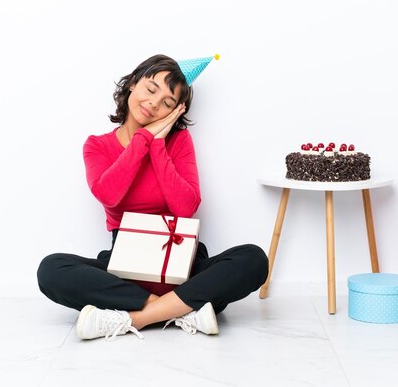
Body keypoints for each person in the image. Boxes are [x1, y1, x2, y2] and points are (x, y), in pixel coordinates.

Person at [37, 54, 269, 341]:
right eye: (150, 90)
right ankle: (183, 309)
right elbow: (109, 196)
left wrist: (158, 143)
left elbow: (185, 209)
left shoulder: (179, 141)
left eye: (167, 103)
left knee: (253, 259)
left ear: (175, 113)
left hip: (183, 264)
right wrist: (143, 139)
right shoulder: (97, 145)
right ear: (133, 84)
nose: (154, 104)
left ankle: (132, 317)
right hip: (125, 264)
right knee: (51, 269)